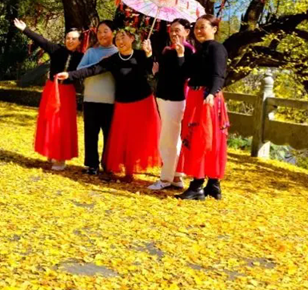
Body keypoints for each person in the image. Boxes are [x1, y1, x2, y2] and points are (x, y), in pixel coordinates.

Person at [57, 29, 160, 182]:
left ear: (132, 38)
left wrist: (149, 53)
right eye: (117, 38)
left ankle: (140, 169)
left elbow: (150, 69)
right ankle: (127, 171)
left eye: (123, 37)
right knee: (124, 138)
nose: (120, 41)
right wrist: (69, 75)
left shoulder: (140, 54)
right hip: (123, 103)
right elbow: (93, 69)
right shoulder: (113, 59)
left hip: (143, 102)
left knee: (140, 137)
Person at [13, 18, 83, 171]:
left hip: (67, 92)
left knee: (63, 124)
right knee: (50, 121)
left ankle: (61, 157)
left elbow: (87, 70)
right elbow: (41, 40)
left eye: (74, 39)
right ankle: (51, 151)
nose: (70, 41)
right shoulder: (56, 50)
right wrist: (25, 29)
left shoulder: (81, 57)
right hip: (52, 89)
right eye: (68, 38)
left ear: (79, 42)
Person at [175, 14, 230, 200]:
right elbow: (184, 73)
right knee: (204, 138)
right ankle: (213, 184)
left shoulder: (216, 48)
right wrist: (181, 54)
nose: (198, 31)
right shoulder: (199, 51)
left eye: (202, 27)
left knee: (203, 138)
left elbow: (219, 74)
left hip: (207, 98)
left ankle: (197, 185)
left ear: (214, 29)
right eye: (196, 27)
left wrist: (212, 93)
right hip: (197, 96)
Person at [148, 18, 196, 191]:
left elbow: (185, 75)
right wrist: (153, 64)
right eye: (172, 30)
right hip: (163, 96)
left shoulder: (189, 50)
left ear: (186, 32)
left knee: (169, 138)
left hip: (176, 98)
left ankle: (166, 178)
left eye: (178, 30)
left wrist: (181, 55)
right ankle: (175, 175)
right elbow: (163, 73)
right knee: (170, 136)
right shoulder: (167, 50)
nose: (174, 33)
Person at [76, 21, 118, 176]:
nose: (102, 35)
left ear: (113, 33)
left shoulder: (118, 52)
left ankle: (108, 164)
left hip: (110, 101)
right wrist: (100, 63)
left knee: (110, 136)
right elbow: (79, 70)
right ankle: (92, 164)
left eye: (105, 31)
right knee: (91, 134)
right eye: (99, 32)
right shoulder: (91, 52)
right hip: (91, 99)